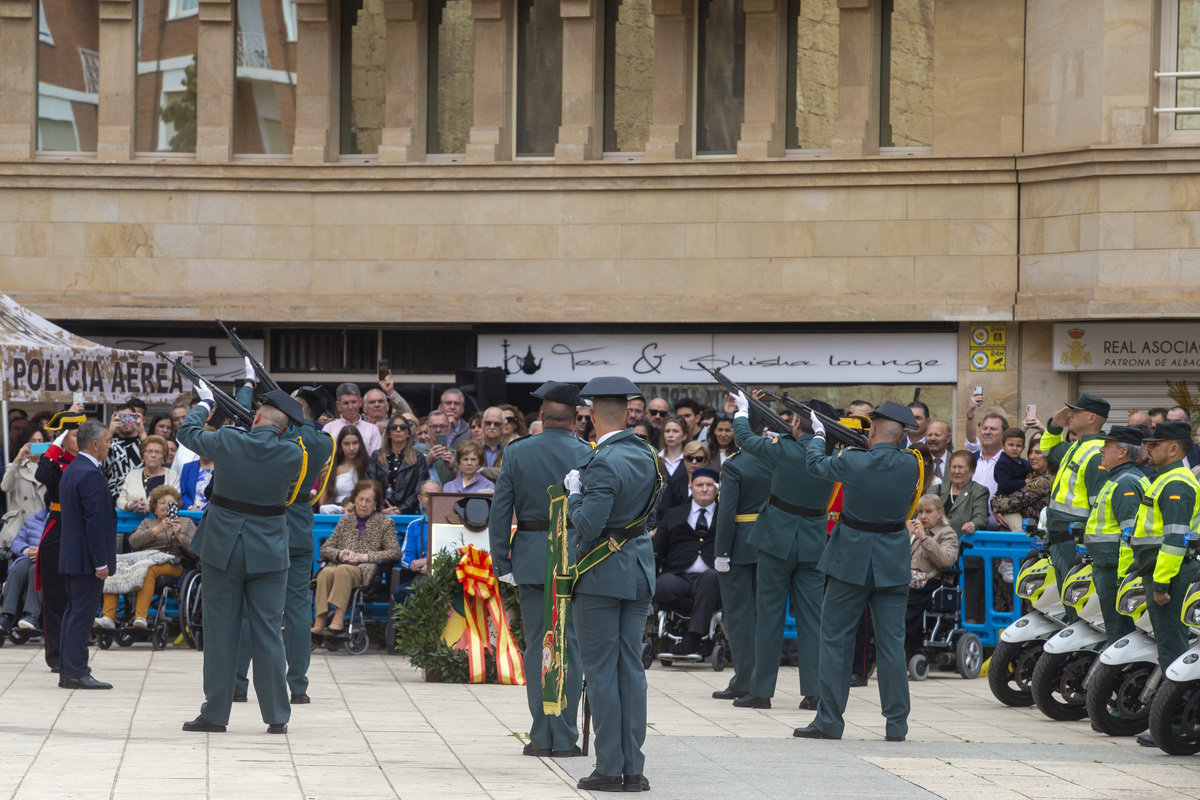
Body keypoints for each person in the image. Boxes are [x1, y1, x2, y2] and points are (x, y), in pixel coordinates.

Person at [176, 386, 305, 734]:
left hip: (223, 547)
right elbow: (298, 436)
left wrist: (206, 403)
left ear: (257, 418)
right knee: (267, 633)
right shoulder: (294, 454)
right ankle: (277, 714)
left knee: (221, 633)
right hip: (269, 551)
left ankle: (216, 713)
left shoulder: (229, 441)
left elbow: (186, 432)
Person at [795, 400, 921, 742]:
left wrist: (820, 434)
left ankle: (829, 722)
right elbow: (900, 449)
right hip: (892, 561)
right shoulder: (912, 465)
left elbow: (815, 465)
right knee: (892, 646)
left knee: (835, 640)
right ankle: (896, 724)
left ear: (875, 427)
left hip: (850, 559)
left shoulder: (852, 460)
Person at [487, 380, 593, 759]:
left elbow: (500, 511)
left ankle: (541, 735)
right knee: (570, 645)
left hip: (531, 557)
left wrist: (502, 561)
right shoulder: (588, 453)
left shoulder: (517, 452)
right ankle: (565, 736)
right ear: (577, 419)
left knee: (537, 647)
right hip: (576, 557)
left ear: (543, 417)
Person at [564, 376, 660, 792]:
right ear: (627, 413)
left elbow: (588, 525)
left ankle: (608, 767)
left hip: (602, 572)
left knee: (601, 671)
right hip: (637, 568)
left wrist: (573, 495)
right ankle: (632, 768)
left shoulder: (602, 461)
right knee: (631, 671)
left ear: (590, 416)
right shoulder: (647, 454)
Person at [728, 396, 836, 712]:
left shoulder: (785, 449)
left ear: (800, 423)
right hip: (813, 541)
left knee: (769, 618)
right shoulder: (831, 456)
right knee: (812, 619)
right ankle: (814, 691)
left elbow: (745, 439)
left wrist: (742, 412)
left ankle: (761, 690)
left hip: (777, 540)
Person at [235, 378, 335, 706]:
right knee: (295, 609)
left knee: (255, 609)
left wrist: (248, 386)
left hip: (267, 528)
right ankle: (299, 685)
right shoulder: (323, 441)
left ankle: (238, 682)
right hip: (300, 529)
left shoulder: (282, 434)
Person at [1131, 420, 1200, 748]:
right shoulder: (1168, 478)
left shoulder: (1176, 483)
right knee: (1169, 647)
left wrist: (1161, 582)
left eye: (1155, 444)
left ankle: (1176, 724)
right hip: (1163, 571)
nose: (1148, 447)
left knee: (1172, 650)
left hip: (1171, 574)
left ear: (1173, 449)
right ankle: (1175, 721)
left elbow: (1174, 539)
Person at [57, 419, 115, 690]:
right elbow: (94, 521)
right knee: (81, 615)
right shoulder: (89, 473)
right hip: (85, 559)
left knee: (73, 613)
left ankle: (70, 669)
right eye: (107, 442)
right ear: (95, 444)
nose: (109, 446)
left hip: (73, 555)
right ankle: (76, 671)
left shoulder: (72, 468)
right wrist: (100, 561)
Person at [1040, 394, 1109, 621]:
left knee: (1078, 610)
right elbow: (1048, 451)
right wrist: (1053, 426)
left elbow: (1099, 507)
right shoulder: (1077, 446)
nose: (1069, 414)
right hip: (1061, 541)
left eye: (1075, 411)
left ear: (1091, 418)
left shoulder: (1097, 453)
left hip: (1075, 543)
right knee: (1069, 608)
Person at [710, 445, 769, 702]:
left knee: (739, 616)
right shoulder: (775, 457)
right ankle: (762, 680)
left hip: (740, 545)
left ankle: (744, 680)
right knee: (764, 615)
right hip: (769, 542)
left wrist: (722, 552)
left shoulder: (735, 464)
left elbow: (727, 512)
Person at [95, 485, 196, 630]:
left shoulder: (186, 523)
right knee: (115, 566)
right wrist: (157, 530)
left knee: (148, 569)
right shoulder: (148, 523)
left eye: (171, 503)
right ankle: (108, 617)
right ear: (154, 507)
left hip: (175, 564)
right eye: (162, 502)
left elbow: (195, 551)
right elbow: (133, 542)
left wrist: (180, 536)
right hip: (145, 560)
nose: (166, 506)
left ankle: (140, 617)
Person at [1085, 426, 1148, 647]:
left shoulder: (1126, 483)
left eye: (1108, 445)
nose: (1102, 449)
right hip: (1108, 565)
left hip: (1116, 570)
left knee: (1119, 632)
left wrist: (1125, 578)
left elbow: (1131, 536)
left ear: (1122, 452)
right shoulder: (1118, 479)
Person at [311, 480, 400, 635]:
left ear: (376, 503)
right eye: (360, 499)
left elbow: (394, 552)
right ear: (354, 499)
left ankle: (338, 620)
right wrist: (340, 555)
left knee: (343, 570)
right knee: (325, 572)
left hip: (365, 570)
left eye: (368, 500)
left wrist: (364, 557)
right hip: (340, 566)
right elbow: (326, 548)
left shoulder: (385, 523)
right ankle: (319, 622)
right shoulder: (345, 521)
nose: (363, 504)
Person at [653, 467, 721, 658]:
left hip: (710, 579)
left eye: (710, 485)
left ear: (717, 489)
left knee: (711, 578)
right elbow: (658, 548)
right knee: (660, 585)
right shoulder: (674, 514)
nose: (705, 489)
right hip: (678, 576)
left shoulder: (726, 516)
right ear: (691, 488)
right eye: (700, 485)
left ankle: (693, 637)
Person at [34, 411, 84, 673]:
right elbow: (42, 475)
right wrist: (55, 445)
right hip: (59, 528)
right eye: (74, 435)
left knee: (77, 596)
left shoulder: (89, 462)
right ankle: (56, 656)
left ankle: (74, 652)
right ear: (64, 439)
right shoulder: (55, 461)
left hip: (81, 530)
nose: (80, 439)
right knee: (55, 597)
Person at [905, 494, 959, 657]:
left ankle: (904, 647)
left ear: (940, 512)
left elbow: (947, 561)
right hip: (910, 581)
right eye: (920, 512)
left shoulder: (947, 533)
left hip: (933, 582)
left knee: (907, 604)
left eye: (928, 511)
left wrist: (924, 538)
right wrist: (906, 537)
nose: (922, 516)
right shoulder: (915, 531)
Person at [0, 508, 47, 633]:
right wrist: (26, 550)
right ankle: (6, 616)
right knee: (17, 569)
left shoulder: (62, 520)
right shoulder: (34, 519)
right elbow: (16, 542)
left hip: (49, 560)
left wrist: (43, 552)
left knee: (35, 570)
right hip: (29, 557)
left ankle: (31, 616)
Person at [365, 414, 423, 515]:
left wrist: (401, 509)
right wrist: (382, 509)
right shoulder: (376, 456)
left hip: (409, 513)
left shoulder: (418, 458)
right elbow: (369, 485)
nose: (398, 430)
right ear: (388, 433)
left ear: (408, 432)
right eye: (393, 427)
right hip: (380, 513)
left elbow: (419, 489)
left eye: (403, 427)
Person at [393, 480, 440, 603]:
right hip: (422, 576)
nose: (431, 499)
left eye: (435, 495)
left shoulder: (453, 523)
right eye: (427, 495)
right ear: (419, 499)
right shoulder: (414, 526)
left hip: (446, 576)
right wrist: (414, 565)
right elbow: (406, 557)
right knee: (400, 593)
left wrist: (429, 562)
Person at [2, 425, 48, 550]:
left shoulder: (49, 467)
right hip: (20, 527)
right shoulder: (16, 466)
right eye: (32, 441)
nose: (37, 444)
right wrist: (17, 461)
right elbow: (5, 487)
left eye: (40, 441)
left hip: (42, 525)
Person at [116, 435, 180, 514]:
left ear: (164, 457)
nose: (153, 455)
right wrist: (130, 505)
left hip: (162, 524)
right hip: (133, 523)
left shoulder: (171, 475)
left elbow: (175, 504)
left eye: (158, 452)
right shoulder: (132, 475)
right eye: (149, 451)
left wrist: (151, 508)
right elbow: (120, 500)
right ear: (143, 455)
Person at [101, 402, 146, 502]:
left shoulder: (143, 441)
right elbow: (99, 464)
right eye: (121, 418)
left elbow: (155, 457)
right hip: (114, 502)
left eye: (129, 417)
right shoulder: (110, 444)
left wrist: (141, 431)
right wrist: (109, 432)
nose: (126, 422)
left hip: (142, 501)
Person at [318, 426, 369, 513]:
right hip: (336, 512)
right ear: (340, 446)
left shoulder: (368, 467)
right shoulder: (330, 469)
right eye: (346, 444)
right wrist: (342, 509)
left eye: (355, 443)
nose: (351, 448)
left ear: (360, 444)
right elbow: (322, 504)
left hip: (362, 511)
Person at [323, 383, 383, 456]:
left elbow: (375, 461)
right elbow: (326, 458)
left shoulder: (372, 430)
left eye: (354, 402)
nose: (350, 407)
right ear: (338, 405)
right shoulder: (329, 429)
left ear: (360, 402)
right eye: (346, 403)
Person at [991, 429, 1032, 531]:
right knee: (1019, 529)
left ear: (1023, 448)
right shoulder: (1003, 463)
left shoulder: (1024, 463)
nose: (1014, 448)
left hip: (1021, 503)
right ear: (1002, 445)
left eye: (1018, 446)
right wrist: (1024, 482)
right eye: (1010, 445)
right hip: (1007, 506)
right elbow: (1005, 484)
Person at [656, 440, 709, 514]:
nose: (694, 462)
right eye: (689, 458)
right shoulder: (674, 484)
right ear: (684, 460)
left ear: (705, 461)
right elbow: (663, 511)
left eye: (699, 459)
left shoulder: (712, 485)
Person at [423, 410, 458, 484]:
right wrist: (427, 461)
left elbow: (467, 483)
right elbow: (407, 479)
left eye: (442, 426)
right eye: (434, 426)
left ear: (449, 429)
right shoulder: (416, 451)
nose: (438, 430)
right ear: (427, 430)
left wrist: (453, 469)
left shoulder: (458, 454)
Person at [925, 421, 950, 485]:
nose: (932, 438)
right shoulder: (920, 463)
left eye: (937, 435)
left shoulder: (954, 461)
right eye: (929, 435)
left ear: (948, 438)